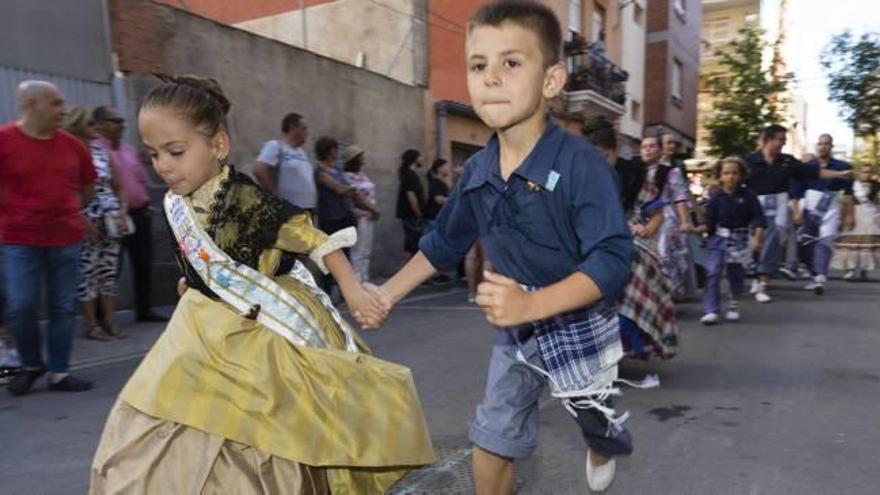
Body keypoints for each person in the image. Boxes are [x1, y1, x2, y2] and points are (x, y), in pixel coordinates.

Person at [89, 75, 433, 493]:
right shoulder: (176, 199)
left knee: (266, 427)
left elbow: (317, 241)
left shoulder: (246, 199)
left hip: (262, 326)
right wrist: (190, 280)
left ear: (218, 145)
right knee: (169, 411)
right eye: (153, 154)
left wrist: (356, 290)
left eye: (175, 151)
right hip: (202, 326)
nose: (163, 165)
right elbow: (200, 257)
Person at [361, 2, 634, 492]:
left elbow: (612, 260)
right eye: (478, 65)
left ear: (552, 81)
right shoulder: (477, 174)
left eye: (511, 63)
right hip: (517, 334)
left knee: (595, 416)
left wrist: (532, 302)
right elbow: (443, 243)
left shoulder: (581, 165)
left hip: (578, 317)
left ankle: (602, 438)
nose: (490, 78)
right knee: (491, 441)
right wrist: (387, 294)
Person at [1, 81, 97, 396]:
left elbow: (87, 187)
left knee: (62, 307)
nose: (63, 110)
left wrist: (70, 211)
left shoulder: (72, 146)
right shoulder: (4, 141)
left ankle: (59, 371)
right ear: (31, 104)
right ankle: (31, 364)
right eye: (55, 103)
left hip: (66, 238)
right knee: (21, 305)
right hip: (18, 240)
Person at [583, 118, 678, 361]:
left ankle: (623, 342)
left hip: (633, 239)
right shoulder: (581, 171)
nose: (599, 164)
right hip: (593, 237)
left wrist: (647, 229)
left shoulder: (635, 173)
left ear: (615, 151)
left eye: (604, 156)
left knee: (632, 265)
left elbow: (657, 214)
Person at [744, 124, 851, 303]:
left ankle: (763, 282)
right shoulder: (750, 160)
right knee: (755, 243)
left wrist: (839, 174)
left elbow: (814, 172)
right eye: (780, 140)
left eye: (784, 141)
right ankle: (756, 274)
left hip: (778, 205)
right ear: (768, 140)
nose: (782, 144)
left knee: (773, 240)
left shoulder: (787, 161)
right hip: (755, 204)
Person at [92, 106, 167, 322]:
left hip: (139, 216)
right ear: (99, 124)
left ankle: (144, 310)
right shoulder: (96, 151)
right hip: (111, 217)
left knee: (143, 264)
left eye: (122, 120)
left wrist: (146, 204)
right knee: (109, 268)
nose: (121, 125)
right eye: (115, 121)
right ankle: (102, 317)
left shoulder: (128, 150)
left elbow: (141, 179)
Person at [62, 106, 129, 341]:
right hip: (84, 223)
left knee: (108, 273)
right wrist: (81, 220)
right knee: (86, 275)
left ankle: (110, 321)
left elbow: (119, 187)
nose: (94, 127)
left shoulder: (102, 153)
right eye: (89, 123)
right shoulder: (66, 154)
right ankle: (91, 325)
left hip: (110, 221)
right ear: (77, 126)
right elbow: (65, 193)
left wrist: (122, 210)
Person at [698, 157, 765, 325]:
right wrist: (696, 229)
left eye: (735, 173)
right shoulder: (715, 197)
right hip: (718, 239)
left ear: (742, 176)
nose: (731, 177)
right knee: (713, 272)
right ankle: (711, 310)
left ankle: (733, 302)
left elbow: (759, 219)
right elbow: (708, 222)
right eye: (726, 173)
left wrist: (756, 239)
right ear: (720, 176)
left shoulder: (749, 196)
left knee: (736, 274)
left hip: (740, 238)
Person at [790, 134, 854, 295]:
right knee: (806, 244)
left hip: (831, 207)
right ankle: (814, 273)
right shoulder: (808, 166)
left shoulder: (842, 165)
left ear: (831, 146)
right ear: (816, 146)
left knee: (825, 242)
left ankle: (820, 278)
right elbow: (795, 192)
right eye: (820, 143)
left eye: (826, 144)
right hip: (809, 206)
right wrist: (796, 211)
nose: (823, 146)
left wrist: (848, 215)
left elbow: (848, 194)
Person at [640, 136, 691, 296]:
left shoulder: (671, 172)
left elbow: (680, 197)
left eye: (652, 146)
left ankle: (668, 292)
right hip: (641, 218)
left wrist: (684, 221)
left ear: (660, 150)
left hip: (665, 218)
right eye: (644, 147)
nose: (647, 149)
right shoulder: (636, 171)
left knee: (663, 253)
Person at [253, 112, 317, 212]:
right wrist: (273, 194)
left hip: (307, 209)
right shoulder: (276, 146)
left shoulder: (301, 152)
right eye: (303, 128)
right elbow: (259, 169)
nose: (307, 132)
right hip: (290, 210)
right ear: (293, 128)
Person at [831, 165, 880, 280]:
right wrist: (844, 216)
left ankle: (864, 269)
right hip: (853, 213)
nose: (866, 174)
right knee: (850, 242)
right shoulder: (852, 185)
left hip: (870, 215)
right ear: (859, 173)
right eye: (864, 172)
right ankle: (850, 269)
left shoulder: (877, 185)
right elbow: (845, 200)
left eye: (869, 172)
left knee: (867, 243)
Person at [343, 144, 378, 283]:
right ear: (353, 159)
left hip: (370, 217)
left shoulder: (362, 175)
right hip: (359, 217)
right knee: (357, 251)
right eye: (360, 157)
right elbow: (352, 197)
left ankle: (365, 279)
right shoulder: (347, 177)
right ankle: (357, 281)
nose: (363, 160)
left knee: (366, 251)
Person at [396, 149, 425, 258]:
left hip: (410, 216)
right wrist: (419, 214)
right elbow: (411, 197)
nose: (422, 159)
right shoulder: (410, 175)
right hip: (412, 216)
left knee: (411, 246)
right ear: (415, 159)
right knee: (414, 247)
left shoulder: (408, 174)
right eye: (420, 157)